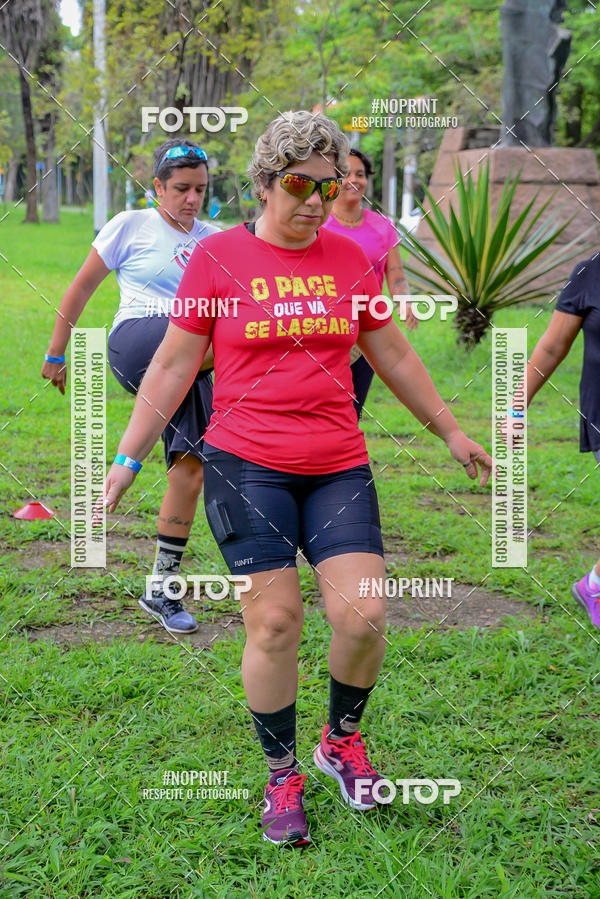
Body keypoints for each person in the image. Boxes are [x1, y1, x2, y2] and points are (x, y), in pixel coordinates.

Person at [99, 111, 492, 846]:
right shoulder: (218, 260)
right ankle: (282, 773)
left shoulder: (349, 259)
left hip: (337, 459)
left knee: (365, 614)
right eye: (297, 184)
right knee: (275, 623)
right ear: (265, 181)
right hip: (246, 464)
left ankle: (339, 741)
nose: (314, 201)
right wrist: (126, 458)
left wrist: (451, 429)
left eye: (328, 184)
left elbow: (394, 353)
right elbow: (175, 364)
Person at [42, 138, 220, 634]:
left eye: (200, 190)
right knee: (202, 348)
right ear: (157, 187)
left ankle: (161, 585)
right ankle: (127, 462)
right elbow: (81, 287)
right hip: (140, 340)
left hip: (197, 360)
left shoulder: (217, 239)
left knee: (190, 467)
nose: (191, 199)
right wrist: (58, 352)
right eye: (180, 188)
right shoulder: (131, 225)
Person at [518, 255, 600, 629]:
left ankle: (593, 583)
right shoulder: (590, 272)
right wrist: (517, 408)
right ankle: (594, 586)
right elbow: (552, 347)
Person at [322, 147, 418, 418]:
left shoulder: (383, 225)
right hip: (325, 329)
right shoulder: (318, 223)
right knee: (321, 404)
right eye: (346, 174)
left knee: (352, 409)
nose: (354, 180)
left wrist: (404, 301)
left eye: (360, 174)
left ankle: (343, 457)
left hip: (366, 332)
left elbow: (396, 274)